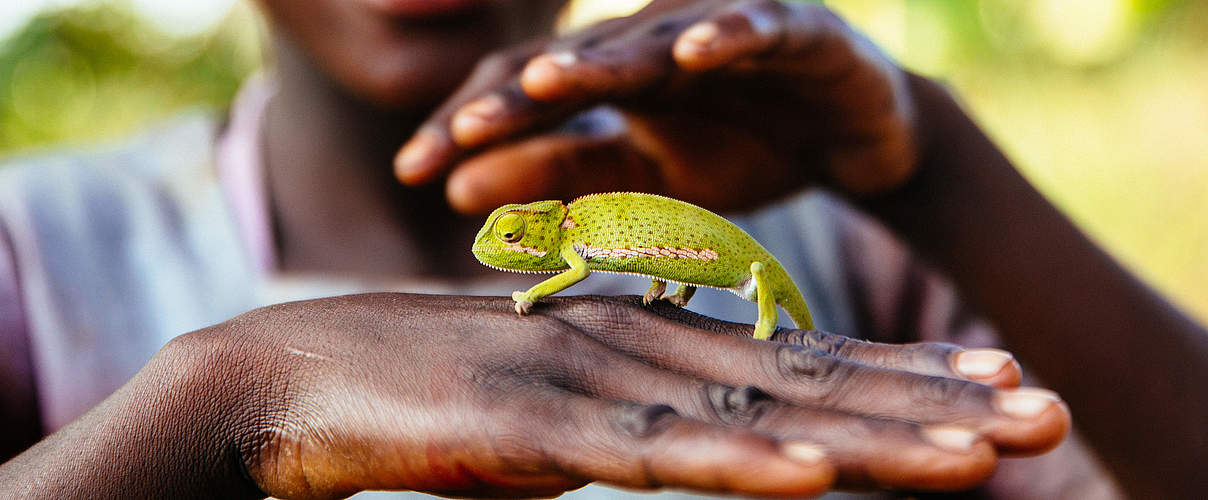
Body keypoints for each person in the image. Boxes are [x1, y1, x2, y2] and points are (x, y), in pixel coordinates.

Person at [0, 0, 1200, 498]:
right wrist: (216, 397)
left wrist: (935, 169)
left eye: (518, 245)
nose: (511, 249)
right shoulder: (36, 250)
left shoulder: (846, 249)